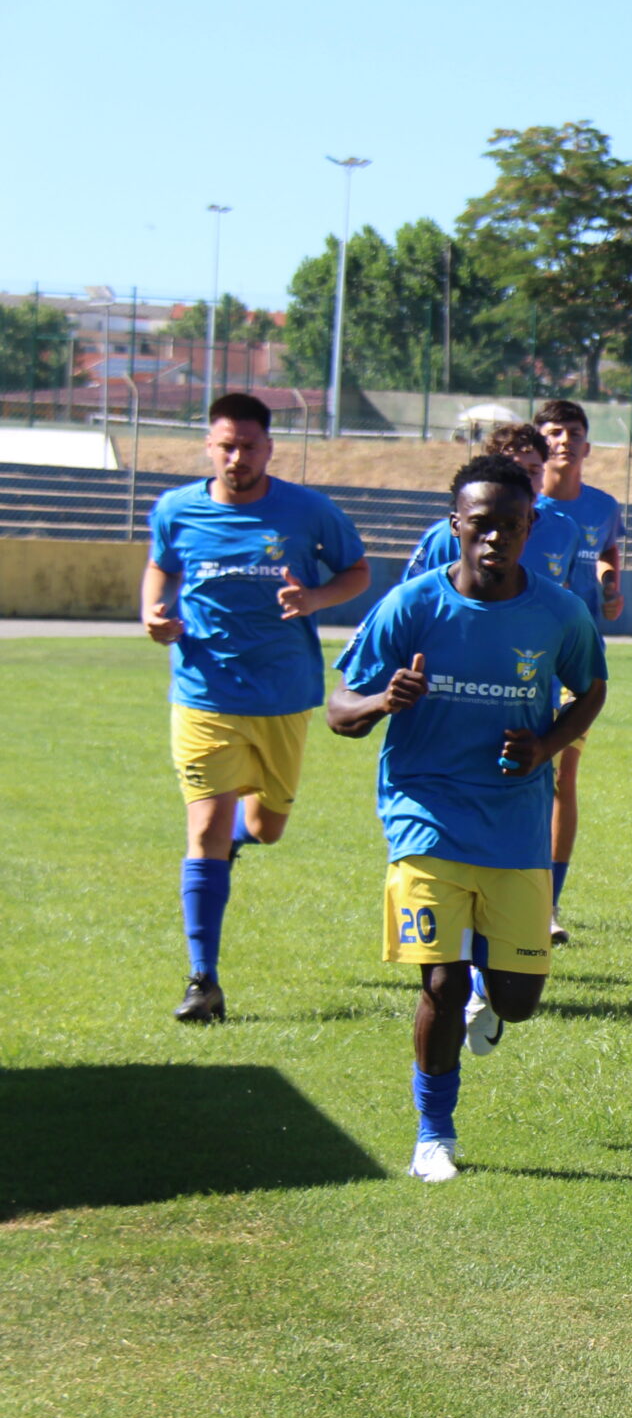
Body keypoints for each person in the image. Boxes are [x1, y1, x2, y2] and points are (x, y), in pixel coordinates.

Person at [327, 455, 606, 1183]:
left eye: (510, 526)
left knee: (518, 998)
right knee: (441, 984)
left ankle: (495, 986)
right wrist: (382, 700)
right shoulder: (412, 605)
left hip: (516, 827)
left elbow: (592, 687)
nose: (494, 540)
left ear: (529, 528)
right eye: (480, 525)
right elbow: (338, 710)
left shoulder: (558, 612)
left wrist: (546, 743)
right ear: (455, 524)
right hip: (425, 817)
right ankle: (433, 1134)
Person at [142, 393, 370, 1023]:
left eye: (248, 445)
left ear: (269, 448)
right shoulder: (176, 510)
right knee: (204, 828)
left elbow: (356, 572)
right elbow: (160, 569)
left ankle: (236, 841)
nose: (236, 456)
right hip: (203, 691)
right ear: (209, 446)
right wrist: (153, 615)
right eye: (225, 444)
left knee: (266, 828)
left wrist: (315, 598)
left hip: (283, 694)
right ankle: (202, 980)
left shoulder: (307, 511)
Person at [532, 400, 623, 947]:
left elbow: (609, 551)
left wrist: (613, 585)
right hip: (520, 654)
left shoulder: (603, 506)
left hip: (576, 657)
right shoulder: (526, 507)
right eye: (554, 432)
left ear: (588, 446)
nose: (564, 441)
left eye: (574, 433)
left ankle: (547, 902)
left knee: (562, 774)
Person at [403, 422, 579, 589]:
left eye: (534, 471)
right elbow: (413, 599)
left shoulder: (565, 530)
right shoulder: (449, 534)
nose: (525, 480)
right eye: (515, 469)